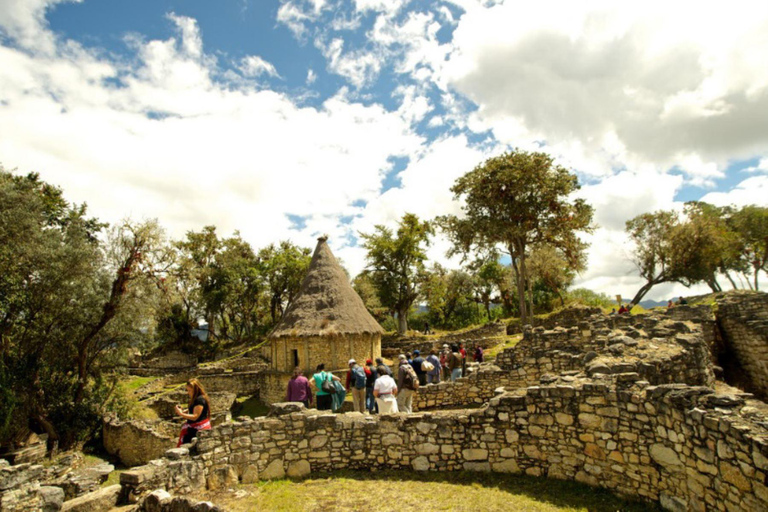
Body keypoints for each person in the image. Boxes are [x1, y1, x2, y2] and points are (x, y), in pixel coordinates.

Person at [175, 378, 212, 447]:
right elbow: (193, 409)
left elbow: (195, 416)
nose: (188, 392)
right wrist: (185, 411)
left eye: (189, 390)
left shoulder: (200, 400)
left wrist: (181, 414)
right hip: (194, 428)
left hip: (198, 429)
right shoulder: (195, 399)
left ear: (195, 389)